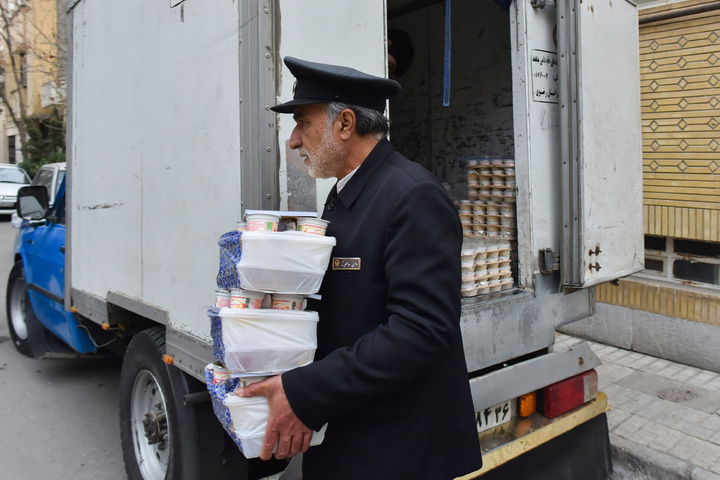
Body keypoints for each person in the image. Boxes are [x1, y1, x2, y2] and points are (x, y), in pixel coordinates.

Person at [238, 56, 483, 480]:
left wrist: (305, 392)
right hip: (356, 428)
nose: (294, 141)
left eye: (302, 122)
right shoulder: (348, 191)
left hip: (398, 449)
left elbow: (422, 330)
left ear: (345, 124)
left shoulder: (412, 195)